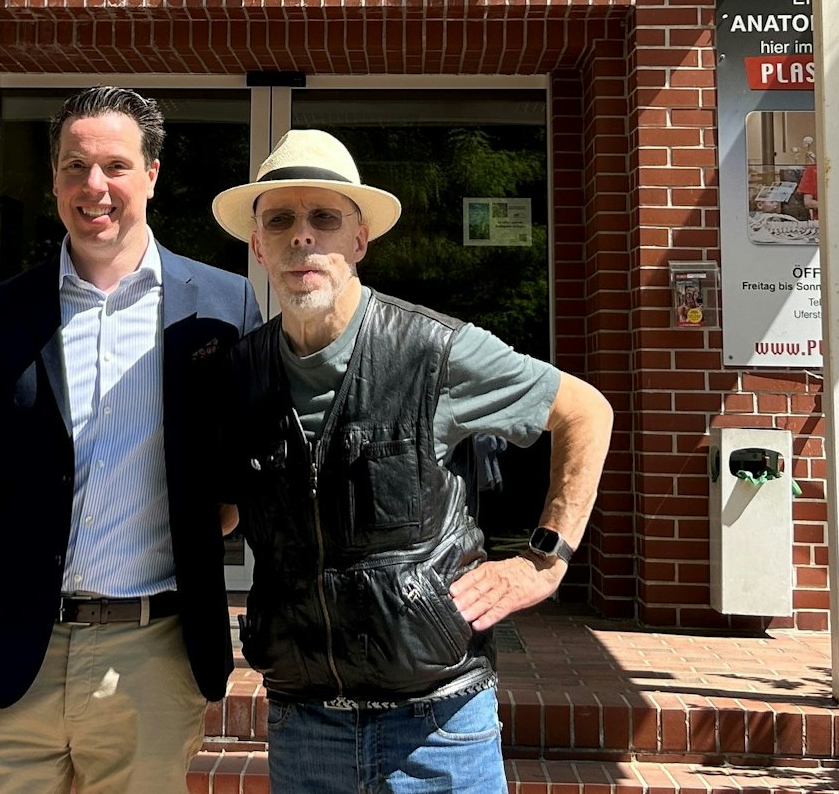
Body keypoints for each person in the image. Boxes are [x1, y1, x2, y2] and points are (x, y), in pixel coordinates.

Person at [213, 130, 615, 794]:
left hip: (438, 726)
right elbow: (225, 511)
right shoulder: (238, 376)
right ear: (258, 245)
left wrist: (544, 559)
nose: (302, 236)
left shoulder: (434, 353)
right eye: (280, 220)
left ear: (360, 239)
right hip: (303, 723)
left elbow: (584, 411)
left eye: (324, 218)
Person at [0, 85, 262, 794]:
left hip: (151, 658)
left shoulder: (225, 308)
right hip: (6, 655)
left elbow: (247, 474)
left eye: (115, 166)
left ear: (152, 175)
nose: (94, 186)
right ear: (54, 178)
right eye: (75, 166)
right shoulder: (1, 314)